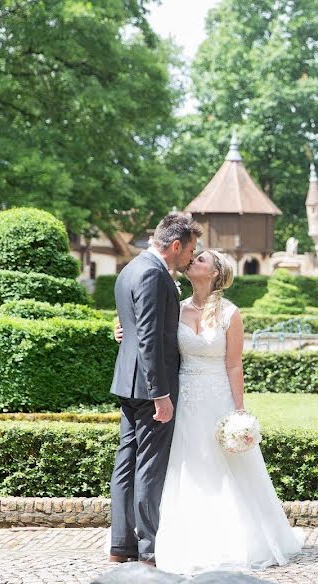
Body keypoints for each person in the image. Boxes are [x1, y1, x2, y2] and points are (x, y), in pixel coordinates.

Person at [115, 249, 305, 574]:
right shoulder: (175, 308)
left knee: (223, 468)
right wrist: (121, 332)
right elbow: (147, 332)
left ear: (216, 273)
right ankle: (181, 537)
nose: (193, 261)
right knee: (186, 466)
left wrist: (239, 410)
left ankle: (236, 537)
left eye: (201, 259)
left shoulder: (231, 313)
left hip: (217, 398)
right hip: (183, 397)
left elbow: (233, 365)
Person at [109, 213, 201, 565]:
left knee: (126, 463)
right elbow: (147, 336)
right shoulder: (152, 273)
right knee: (148, 467)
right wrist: (160, 394)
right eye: (190, 250)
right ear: (175, 246)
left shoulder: (130, 269)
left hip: (128, 383)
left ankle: (121, 546)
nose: (191, 258)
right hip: (150, 388)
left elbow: (129, 326)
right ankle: (148, 549)